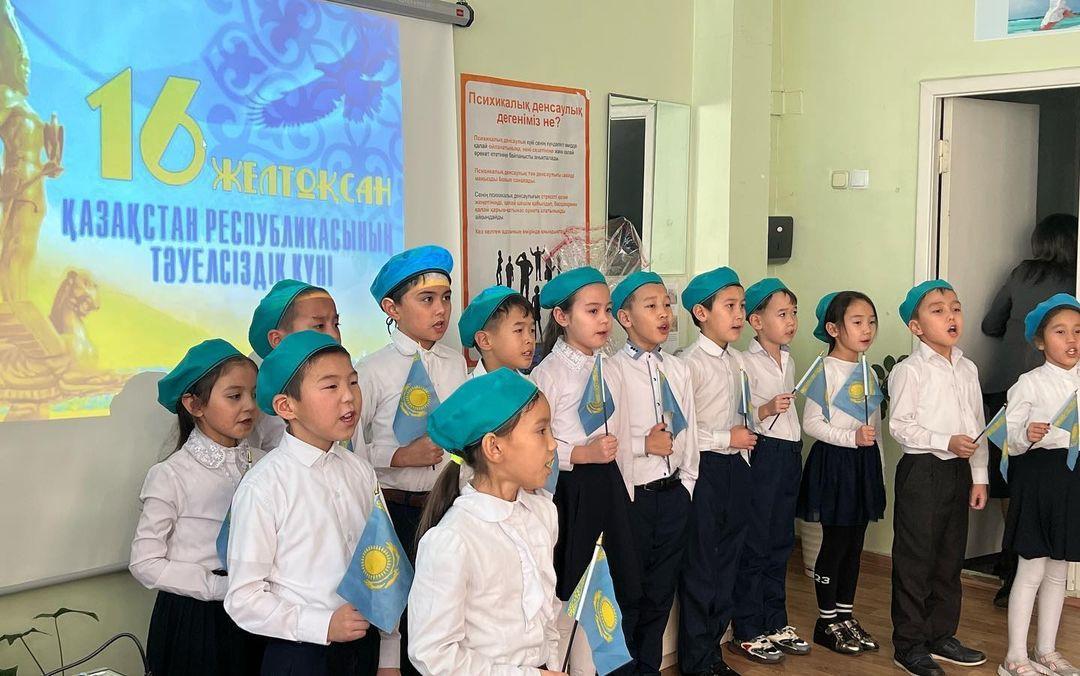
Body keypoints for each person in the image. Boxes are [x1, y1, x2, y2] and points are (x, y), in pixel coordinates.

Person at [225, 331, 400, 676]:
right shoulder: (264, 486)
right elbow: (243, 598)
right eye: (331, 386)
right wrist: (322, 624)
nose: (348, 397)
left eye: (353, 382)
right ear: (286, 406)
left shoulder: (360, 472)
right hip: (301, 654)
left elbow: (384, 565)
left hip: (364, 647)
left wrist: (390, 655)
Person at [408, 368, 566, 675]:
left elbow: (546, 613)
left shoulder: (542, 514)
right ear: (494, 447)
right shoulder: (453, 539)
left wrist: (552, 664)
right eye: (541, 431)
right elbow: (433, 654)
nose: (553, 444)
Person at [355, 245, 468, 674]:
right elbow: (351, 451)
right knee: (394, 608)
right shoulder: (372, 370)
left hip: (445, 507)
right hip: (395, 509)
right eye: (427, 299)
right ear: (392, 308)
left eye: (445, 298)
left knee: (438, 610)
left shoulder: (454, 364)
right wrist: (399, 455)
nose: (440, 310)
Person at [131, 339, 265, 675]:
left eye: (254, 394)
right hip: (196, 619)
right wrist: (219, 587)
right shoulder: (171, 474)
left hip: (257, 607)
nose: (249, 406)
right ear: (194, 404)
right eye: (234, 396)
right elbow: (145, 562)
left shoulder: (266, 463)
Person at [531, 266, 640, 676]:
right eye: (592, 311)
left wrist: (625, 490)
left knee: (604, 589)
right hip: (568, 491)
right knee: (569, 593)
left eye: (607, 310)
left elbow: (622, 433)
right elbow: (537, 443)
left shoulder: (609, 367)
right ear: (562, 317)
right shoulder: (547, 374)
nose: (604, 320)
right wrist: (579, 453)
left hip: (607, 487)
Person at [890, 280, 989, 676]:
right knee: (915, 560)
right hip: (922, 471)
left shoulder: (968, 368)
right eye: (938, 310)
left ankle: (940, 635)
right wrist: (944, 440)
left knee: (949, 558)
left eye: (956, 308)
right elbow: (900, 426)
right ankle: (909, 644)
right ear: (916, 327)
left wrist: (979, 476)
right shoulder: (909, 371)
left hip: (958, 472)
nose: (951, 316)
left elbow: (977, 425)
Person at [981, 213, 1077, 606]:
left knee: (1009, 481)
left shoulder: (1021, 273)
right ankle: (1033, 568)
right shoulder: (1074, 282)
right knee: (1048, 481)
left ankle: (1012, 569)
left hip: (1002, 384)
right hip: (1050, 392)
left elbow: (990, 323)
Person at [610, 271, 698, 675]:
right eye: (651, 306)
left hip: (673, 495)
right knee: (629, 594)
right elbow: (601, 439)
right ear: (625, 318)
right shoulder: (611, 371)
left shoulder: (678, 370)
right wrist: (643, 445)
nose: (664, 313)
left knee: (661, 594)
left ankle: (648, 668)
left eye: (666, 304)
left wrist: (687, 486)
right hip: (634, 499)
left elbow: (689, 433)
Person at [796, 292, 886, 657]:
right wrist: (851, 438)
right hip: (834, 464)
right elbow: (811, 423)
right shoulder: (823, 370)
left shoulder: (868, 372)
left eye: (871, 322)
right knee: (835, 543)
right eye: (857, 322)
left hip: (863, 465)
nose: (867, 330)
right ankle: (826, 621)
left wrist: (877, 470)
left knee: (854, 545)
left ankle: (846, 616)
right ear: (833, 329)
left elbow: (875, 428)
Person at [677, 266, 756, 676]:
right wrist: (728, 438)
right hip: (704, 471)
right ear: (701, 312)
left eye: (741, 305)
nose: (739, 314)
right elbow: (683, 430)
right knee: (702, 567)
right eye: (729, 306)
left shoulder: (738, 361)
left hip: (736, 470)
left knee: (728, 564)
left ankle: (712, 654)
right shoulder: (688, 364)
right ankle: (695, 660)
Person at [997, 293, 1080, 676]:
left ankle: (1045, 649)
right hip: (1038, 478)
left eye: (1077, 331)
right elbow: (1008, 439)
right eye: (1060, 332)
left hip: (1072, 478)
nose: (1071, 339)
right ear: (1041, 341)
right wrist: (1026, 434)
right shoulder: (1028, 384)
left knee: (1058, 569)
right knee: (1031, 569)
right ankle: (1015, 656)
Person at [731, 278, 811, 660]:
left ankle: (776, 621)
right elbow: (740, 414)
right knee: (756, 542)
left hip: (790, 452)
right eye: (782, 314)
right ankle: (747, 627)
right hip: (763, 453)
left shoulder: (789, 360)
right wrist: (765, 408)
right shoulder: (743, 362)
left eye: (793, 313)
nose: (791, 321)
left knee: (781, 541)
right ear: (757, 321)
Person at [246, 279, 341, 451]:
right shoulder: (254, 387)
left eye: (336, 324)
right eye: (319, 326)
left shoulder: (341, 375)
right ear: (277, 340)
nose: (333, 335)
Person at [458, 285, 536, 377]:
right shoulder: (466, 386)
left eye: (532, 330)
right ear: (484, 340)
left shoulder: (532, 384)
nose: (530, 339)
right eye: (519, 330)